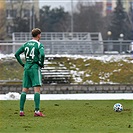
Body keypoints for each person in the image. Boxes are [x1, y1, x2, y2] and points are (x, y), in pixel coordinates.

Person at [15, 28, 45, 117]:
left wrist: (22, 64)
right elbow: (42, 54)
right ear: (38, 35)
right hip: (35, 68)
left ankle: (21, 111)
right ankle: (36, 111)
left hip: (27, 67)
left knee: (24, 89)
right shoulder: (39, 44)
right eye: (40, 34)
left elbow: (16, 54)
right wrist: (41, 63)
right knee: (37, 89)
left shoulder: (26, 44)